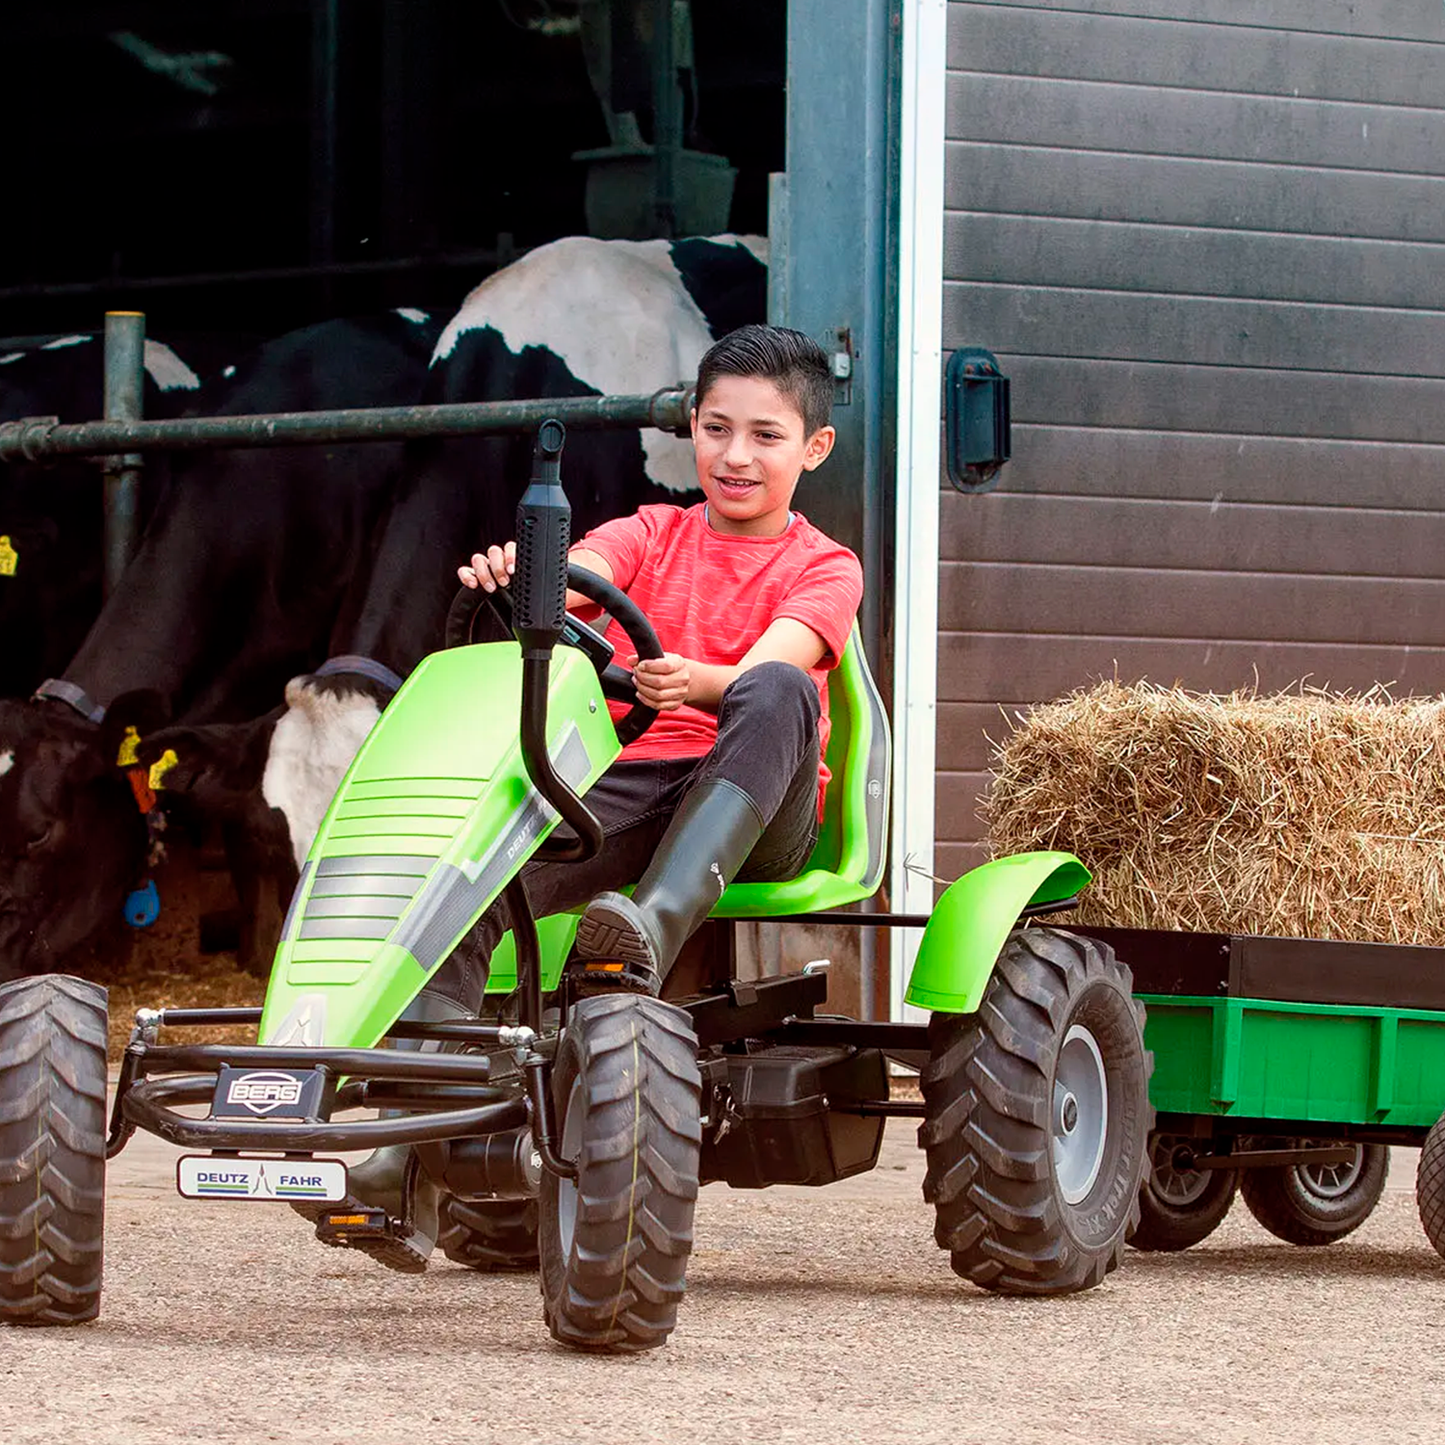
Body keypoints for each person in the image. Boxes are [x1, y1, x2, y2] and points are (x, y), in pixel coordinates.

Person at [448, 322, 864, 1003]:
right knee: (469, 879)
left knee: (779, 687)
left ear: (813, 447)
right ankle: (437, 1068)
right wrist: (526, 576)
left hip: (756, 809)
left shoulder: (825, 566)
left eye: (765, 436)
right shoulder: (649, 530)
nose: (735, 456)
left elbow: (768, 673)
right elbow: (578, 578)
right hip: (629, 785)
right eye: (718, 429)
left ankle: (649, 926)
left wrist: (692, 682)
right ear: (693, 425)